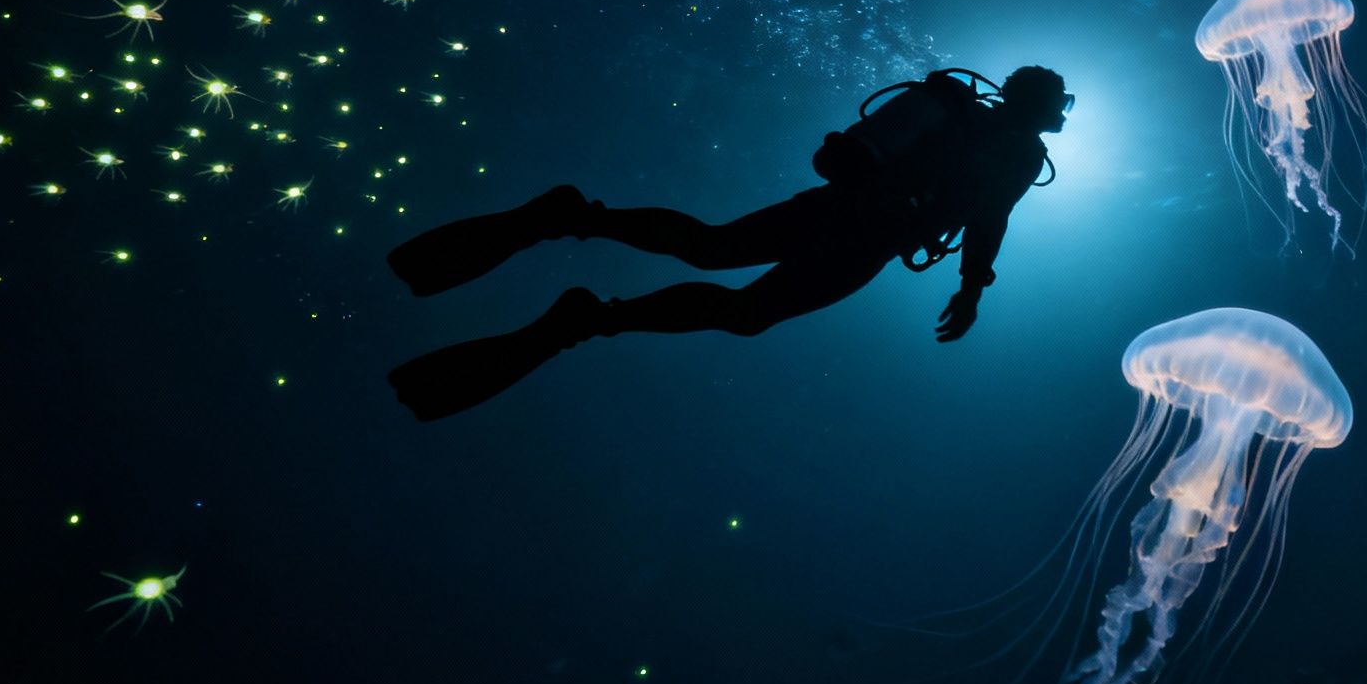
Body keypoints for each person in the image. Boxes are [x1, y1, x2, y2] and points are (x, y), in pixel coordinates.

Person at [385, 66, 1072, 421]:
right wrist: (970, 288)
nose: (1058, 113)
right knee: (722, 273)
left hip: (859, 233)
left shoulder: (996, 145)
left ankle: (585, 268)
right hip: (856, 226)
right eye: (1056, 101)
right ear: (1035, 103)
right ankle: (587, 285)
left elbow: (986, 225)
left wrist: (971, 286)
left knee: (727, 280)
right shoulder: (1004, 148)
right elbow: (987, 223)